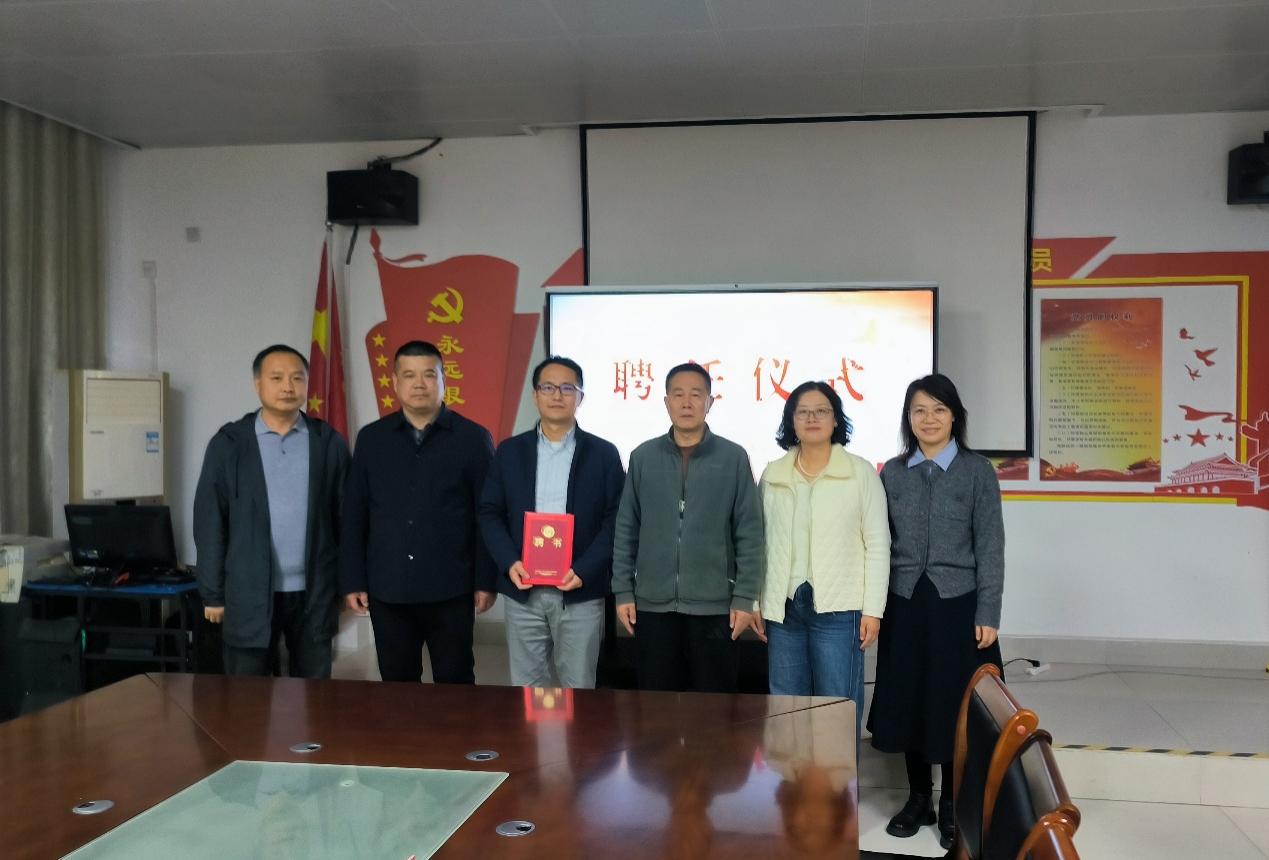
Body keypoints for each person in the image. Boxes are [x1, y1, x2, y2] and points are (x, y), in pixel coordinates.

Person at [866, 373, 1005, 850]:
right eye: (919, 410)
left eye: (939, 410)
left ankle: (951, 804)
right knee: (908, 698)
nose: (929, 419)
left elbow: (991, 546)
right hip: (904, 602)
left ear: (954, 417)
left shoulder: (977, 471)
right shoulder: (892, 472)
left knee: (952, 704)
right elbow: (878, 543)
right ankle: (919, 797)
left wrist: (989, 609)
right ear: (908, 418)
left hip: (957, 605)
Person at [340, 340, 497, 684]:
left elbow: (486, 516)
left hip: (451, 587)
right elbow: (355, 515)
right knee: (397, 684)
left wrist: (486, 580)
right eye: (409, 375)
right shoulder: (372, 439)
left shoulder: (472, 439)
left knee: (455, 682)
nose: (419, 384)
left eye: (429, 374)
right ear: (395, 383)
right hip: (389, 587)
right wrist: (353, 579)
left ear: (444, 381)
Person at [193, 344, 350, 678]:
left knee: (314, 694)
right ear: (257, 384)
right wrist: (212, 594)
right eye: (276, 378)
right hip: (247, 592)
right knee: (248, 695)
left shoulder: (328, 443)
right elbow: (210, 522)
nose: (288, 387)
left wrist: (346, 585)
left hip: (314, 592)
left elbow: (346, 520)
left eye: (297, 378)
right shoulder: (230, 444)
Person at [611, 361, 765, 693]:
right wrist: (623, 591)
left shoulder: (733, 457)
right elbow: (626, 529)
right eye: (678, 394)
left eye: (696, 394)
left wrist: (744, 598)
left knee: (714, 704)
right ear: (666, 402)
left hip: (715, 606)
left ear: (710, 402)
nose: (686, 402)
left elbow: (750, 533)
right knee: (655, 702)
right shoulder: (643, 456)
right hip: (652, 604)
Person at [478, 355, 624, 688]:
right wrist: (509, 561)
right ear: (535, 395)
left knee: (579, 686)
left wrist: (585, 569)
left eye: (567, 388)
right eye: (548, 387)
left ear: (580, 397)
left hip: (579, 590)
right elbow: (489, 511)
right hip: (523, 590)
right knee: (527, 688)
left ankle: (576, 730)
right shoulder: (510, 451)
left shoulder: (603, 454)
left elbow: (616, 519)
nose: (557, 395)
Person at [759, 381, 889, 742]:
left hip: (839, 609)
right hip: (784, 610)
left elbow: (878, 544)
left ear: (835, 420)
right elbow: (759, 543)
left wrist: (873, 610)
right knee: (787, 711)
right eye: (802, 412)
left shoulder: (860, 473)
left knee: (837, 710)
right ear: (791, 421)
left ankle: (838, 782)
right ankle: (792, 780)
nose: (811, 418)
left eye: (821, 411)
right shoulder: (773, 475)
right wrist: (756, 601)